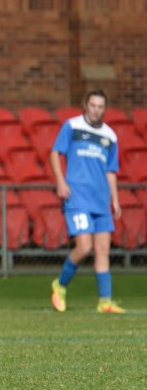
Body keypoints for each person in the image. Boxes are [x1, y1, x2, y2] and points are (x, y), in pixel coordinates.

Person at [50, 89, 125, 314]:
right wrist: (61, 182)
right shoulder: (72, 126)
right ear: (85, 105)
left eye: (101, 106)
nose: (96, 110)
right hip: (78, 198)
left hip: (101, 200)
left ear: (104, 109)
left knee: (103, 250)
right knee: (84, 247)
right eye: (93, 105)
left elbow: (111, 170)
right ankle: (60, 285)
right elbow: (55, 152)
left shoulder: (110, 136)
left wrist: (115, 199)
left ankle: (105, 301)